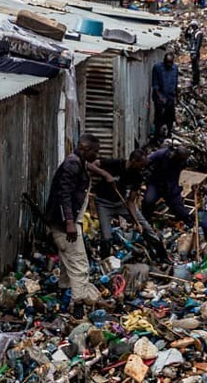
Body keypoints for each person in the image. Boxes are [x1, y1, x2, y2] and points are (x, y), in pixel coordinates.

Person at [44, 134, 108, 312]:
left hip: (65, 222)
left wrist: (105, 174)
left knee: (67, 263)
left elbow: (88, 167)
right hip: (65, 224)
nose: (97, 155)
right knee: (80, 265)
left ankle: (64, 295)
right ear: (85, 149)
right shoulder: (73, 164)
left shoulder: (78, 161)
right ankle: (78, 306)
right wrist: (70, 223)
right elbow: (64, 194)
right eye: (95, 151)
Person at [93, 150, 167, 261]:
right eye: (141, 165)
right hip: (104, 203)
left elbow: (131, 201)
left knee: (146, 228)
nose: (142, 168)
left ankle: (163, 256)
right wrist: (106, 175)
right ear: (133, 161)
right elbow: (90, 164)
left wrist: (136, 223)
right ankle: (105, 263)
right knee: (106, 237)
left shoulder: (137, 176)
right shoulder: (115, 163)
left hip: (121, 203)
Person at [141, 145, 193, 226]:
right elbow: (146, 161)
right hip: (155, 184)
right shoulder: (161, 154)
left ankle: (189, 223)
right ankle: (146, 221)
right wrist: (145, 173)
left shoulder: (182, 161)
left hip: (170, 186)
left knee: (178, 208)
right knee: (148, 201)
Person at [151, 52, 178, 140]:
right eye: (167, 63)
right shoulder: (157, 68)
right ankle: (157, 136)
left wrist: (175, 96)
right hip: (160, 96)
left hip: (170, 96)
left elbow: (175, 82)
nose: (169, 65)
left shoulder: (175, 68)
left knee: (170, 116)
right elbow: (155, 85)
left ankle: (169, 134)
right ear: (164, 61)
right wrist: (161, 97)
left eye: (170, 63)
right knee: (158, 117)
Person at [187, 21, 204, 88]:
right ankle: (194, 80)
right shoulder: (192, 32)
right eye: (192, 26)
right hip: (192, 52)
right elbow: (186, 35)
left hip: (195, 53)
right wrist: (187, 28)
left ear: (196, 26)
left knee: (196, 67)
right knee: (193, 67)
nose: (192, 27)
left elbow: (198, 44)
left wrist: (195, 53)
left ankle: (196, 81)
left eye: (193, 26)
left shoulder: (199, 33)